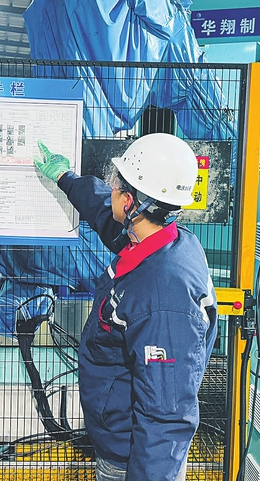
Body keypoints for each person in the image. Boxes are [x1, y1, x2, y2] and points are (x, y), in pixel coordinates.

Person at [34, 134, 218, 481]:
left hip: (134, 459)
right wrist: (65, 178)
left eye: (117, 185)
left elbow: (166, 413)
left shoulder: (163, 295)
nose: (111, 189)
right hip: (122, 440)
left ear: (131, 202)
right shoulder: (159, 240)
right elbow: (104, 211)